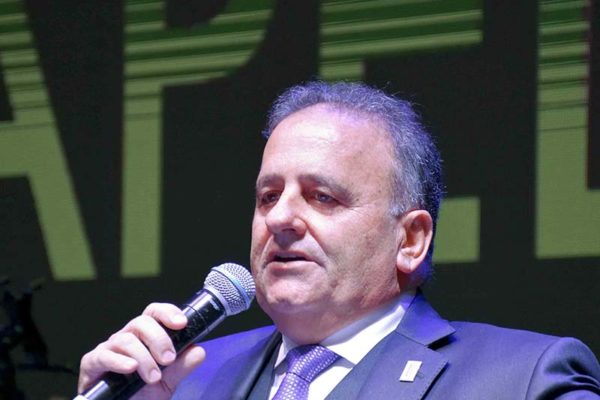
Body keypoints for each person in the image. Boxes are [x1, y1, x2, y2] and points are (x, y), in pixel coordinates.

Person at [77, 81, 600, 399]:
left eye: (322, 197)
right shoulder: (179, 380)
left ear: (411, 239)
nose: (281, 217)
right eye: (268, 196)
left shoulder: (524, 380)